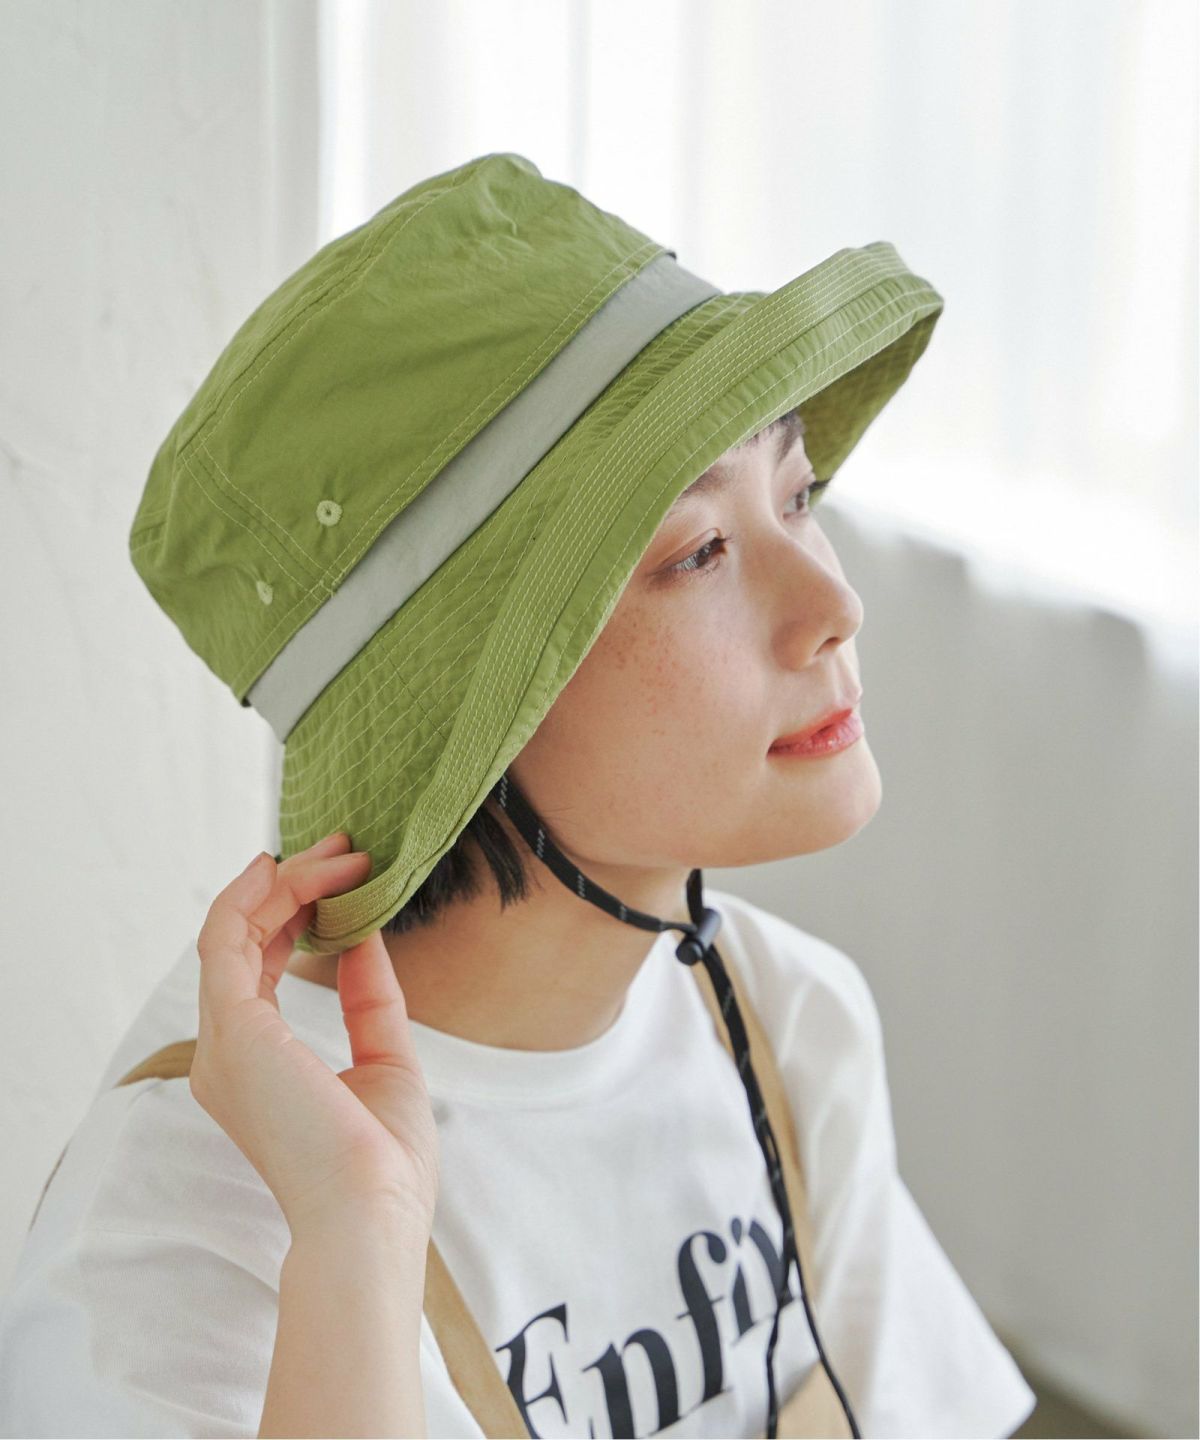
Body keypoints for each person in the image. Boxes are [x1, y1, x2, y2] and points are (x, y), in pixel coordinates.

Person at [0, 153, 1037, 1438]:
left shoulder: (781, 1022)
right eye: (700, 551)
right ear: (468, 716)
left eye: (797, 495)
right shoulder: (180, 1255)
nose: (835, 604)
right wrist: (356, 1243)